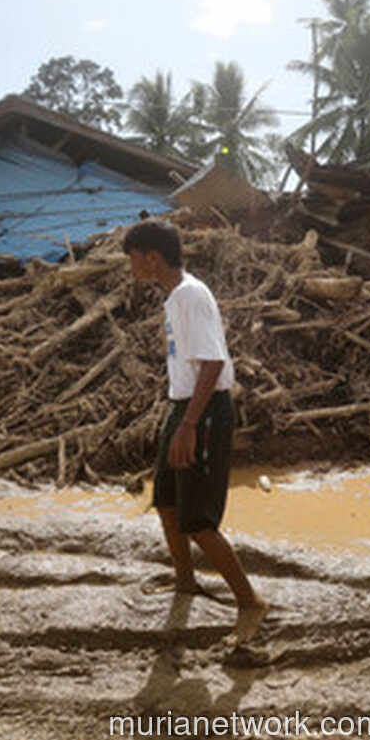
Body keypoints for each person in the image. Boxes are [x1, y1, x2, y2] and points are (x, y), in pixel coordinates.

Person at [122, 219, 269, 645]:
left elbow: (213, 363)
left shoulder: (190, 295)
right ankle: (185, 580)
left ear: (153, 256)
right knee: (167, 499)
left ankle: (250, 603)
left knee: (199, 519)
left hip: (202, 412)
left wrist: (189, 425)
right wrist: (179, 416)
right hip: (183, 406)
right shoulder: (175, 297)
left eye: (134, 258)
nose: (132, 266)